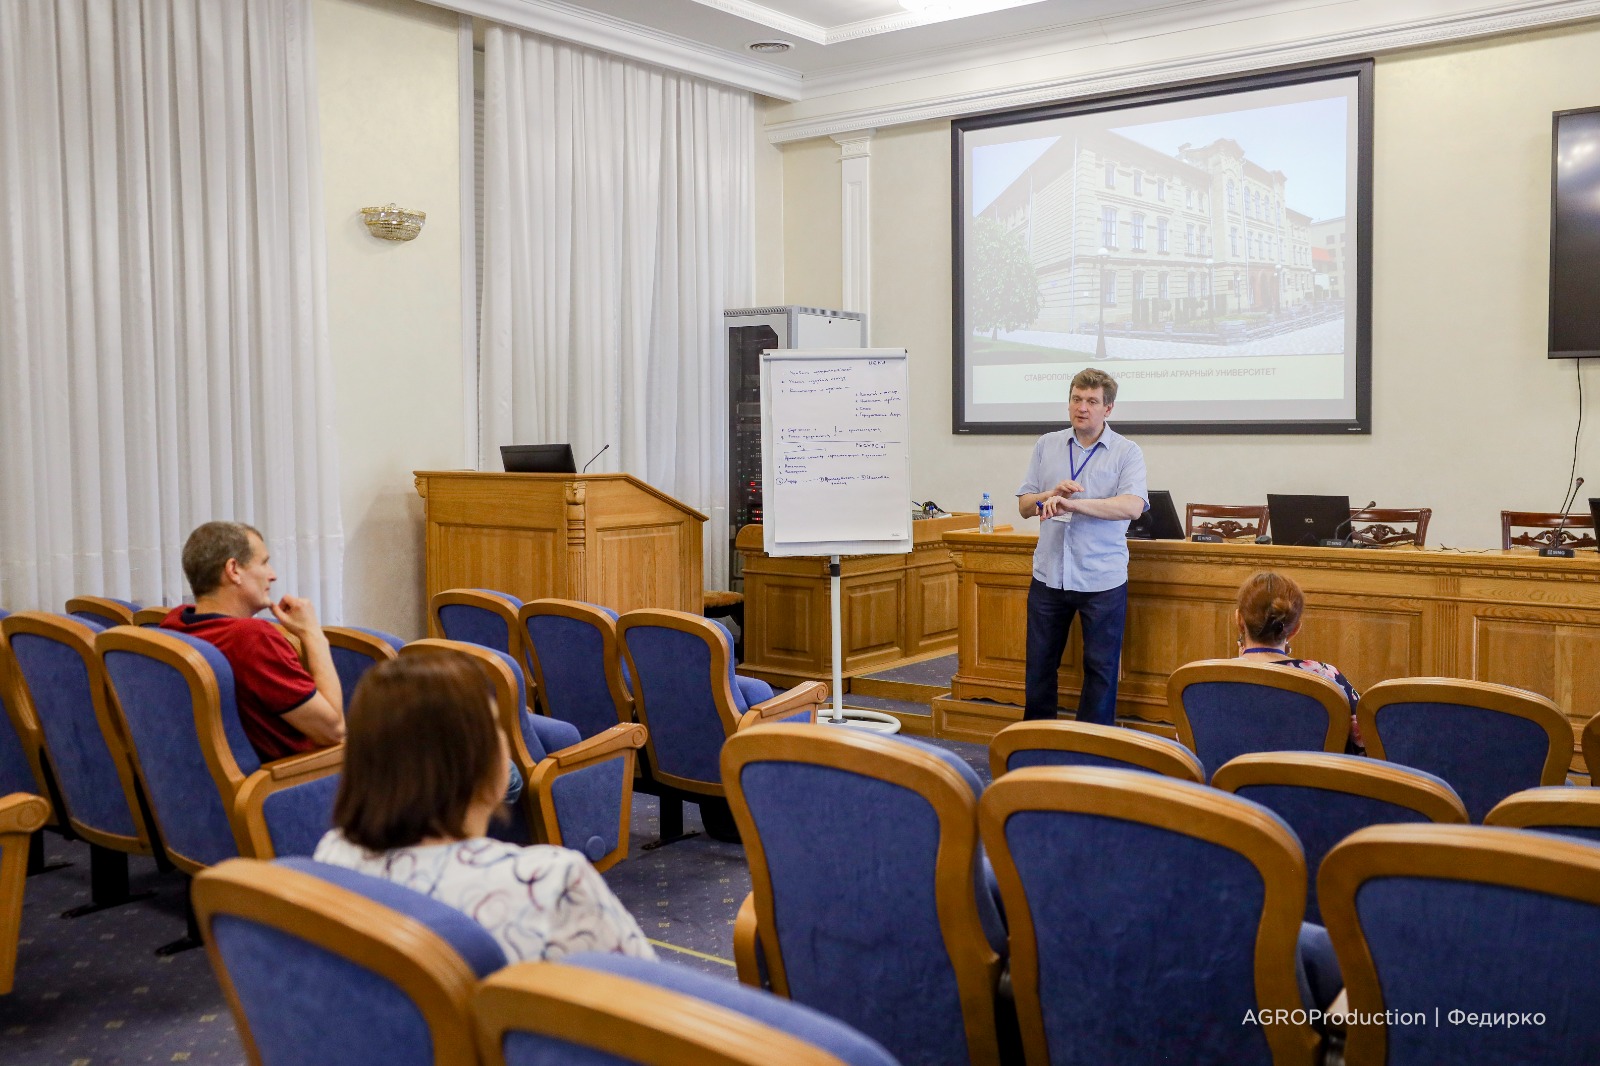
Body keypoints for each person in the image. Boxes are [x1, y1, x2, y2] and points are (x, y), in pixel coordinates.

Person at [313, 653, 655, 964]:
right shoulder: (550, 884)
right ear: (475, 760)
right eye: (495, 727)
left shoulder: (334, 853)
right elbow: (650, 1002)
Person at [1015, 367, 1148, 725]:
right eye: (1076, 399)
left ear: (1109, 409)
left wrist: (1074, 505)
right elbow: (1026, 505)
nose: (1082, 407)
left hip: (1100, 579)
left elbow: (1132, 506)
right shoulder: (1047, 444)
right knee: (1039, 667)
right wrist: (1051, 495)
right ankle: (1036, 743)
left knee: (1101, 671)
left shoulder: (1126, 452)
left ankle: (1092, 751)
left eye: (1092, 401)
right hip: (1049, 577)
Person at [162, 521, 344, 760]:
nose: (273, 575)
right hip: (291, 781)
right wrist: (313, 635)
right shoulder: (251, 638)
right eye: (264, 563)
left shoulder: (173, 624)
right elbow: (334, 731)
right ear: (234, 570)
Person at [1233, 570, 1363, 751]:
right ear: (1295, 629)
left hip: (1223, 779)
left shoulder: (1205, 680)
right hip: (1309, 779)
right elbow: (1365, 744)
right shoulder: (1326, 677)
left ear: (1239, 619)